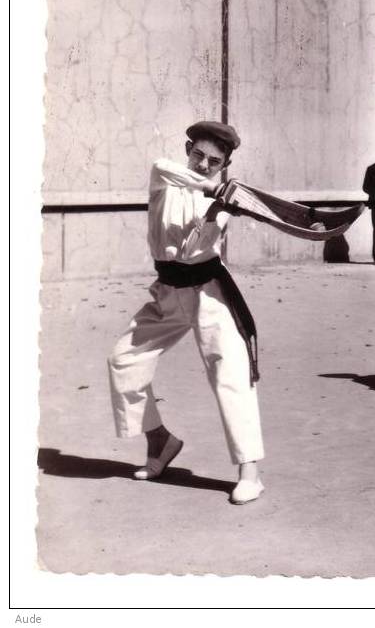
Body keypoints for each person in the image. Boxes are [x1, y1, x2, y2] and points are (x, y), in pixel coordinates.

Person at [107, 121, 265, 505]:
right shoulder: (164, 178)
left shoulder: (225, 199)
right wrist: (214, 189)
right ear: (188, 149)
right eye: (198, 154)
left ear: (224, 163)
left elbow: (203, 239)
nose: (204, 164)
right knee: (123, 360)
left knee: (229, 372)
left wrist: (223, 208)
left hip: (210, 291)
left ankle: (250, 473)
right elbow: (163, 165)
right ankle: (160, 441)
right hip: (168, 292)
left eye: (215, 161)